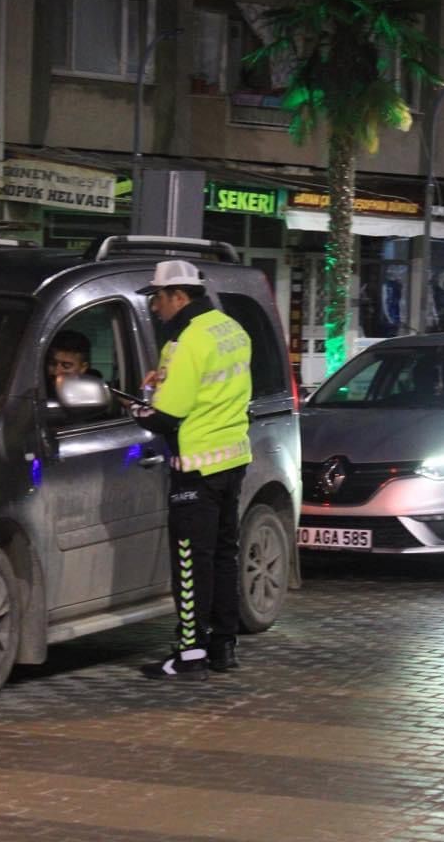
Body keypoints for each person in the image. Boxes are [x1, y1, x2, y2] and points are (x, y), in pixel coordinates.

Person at [131, 260, 253, 681]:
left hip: (195, 468)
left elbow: (165, 415)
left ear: (178, 297)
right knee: (223, 557)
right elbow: (210, 389)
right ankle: (223, 647)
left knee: (190, 562)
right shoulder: (230, 329)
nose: (154, 308)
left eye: (157, 299)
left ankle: (188, 655)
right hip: (232, 459)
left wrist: (134, 406)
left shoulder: (185, 342)